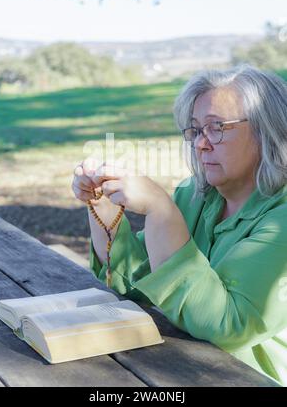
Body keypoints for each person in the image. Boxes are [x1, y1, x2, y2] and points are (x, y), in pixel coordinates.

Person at [72, 64, 287, 385]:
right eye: (196, 129)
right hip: (177, 369)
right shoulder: (194, 195)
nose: (200, 143)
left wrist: (161, 210)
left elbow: (229, 326)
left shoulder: (281, 218)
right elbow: (135, 284)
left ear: (267, 131)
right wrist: (101, 203)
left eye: (217, 127)